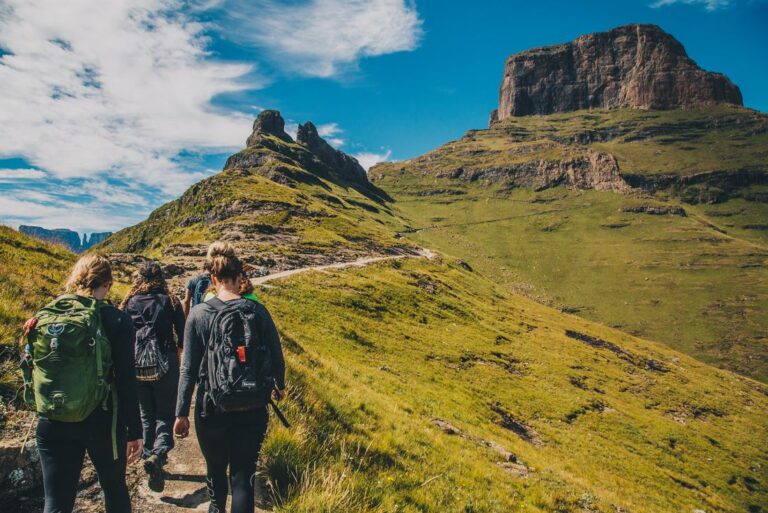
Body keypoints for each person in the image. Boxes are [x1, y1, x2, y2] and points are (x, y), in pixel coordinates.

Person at [22, 254, 142, 513]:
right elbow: (126, 380)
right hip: (102, 420)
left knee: (56, 501)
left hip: (53, 419)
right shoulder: (116, 319)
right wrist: (135, 431)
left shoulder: (45, 314)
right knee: (114, 490)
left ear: (75, 279)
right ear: (108, 283)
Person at [174, 242, 286, 513]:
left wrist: (181, 413)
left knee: (215, 469)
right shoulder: (258, 311)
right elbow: (276, 353)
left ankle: (215, 507)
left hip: (211, 407)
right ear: (240, 278)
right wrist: (278, 386)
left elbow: (188, 368)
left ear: (212, 280)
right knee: (243, 477)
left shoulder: (199, 314)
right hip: (252, 405)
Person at [121, 262, 185, 492]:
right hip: (166, 361)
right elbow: (183, 336)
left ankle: (149, 455)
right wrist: (177, 355)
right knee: (165, 414)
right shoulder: (171, 301)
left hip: (137, 365)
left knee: (146, 414)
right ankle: (158, 454)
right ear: (161, 278)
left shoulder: (129, 303)